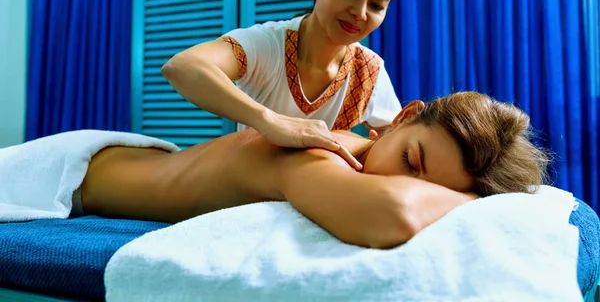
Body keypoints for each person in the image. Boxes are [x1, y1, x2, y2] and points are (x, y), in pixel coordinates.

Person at [78, 92, 549, 249]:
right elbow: (394, 215)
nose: (404, 186)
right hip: (72, 174)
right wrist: (472, 200)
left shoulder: (361, 158)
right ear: (402, 118)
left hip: (145, 159)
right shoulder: (316, 150)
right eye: (410, 163)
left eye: (430, 189)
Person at [161, 0, 403, 171]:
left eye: (376, 5)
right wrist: (269, 121)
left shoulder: (369, 71)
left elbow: (401, 142)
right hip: (246, 190)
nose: (360, 13)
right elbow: (182, 66)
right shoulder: (268, 44)